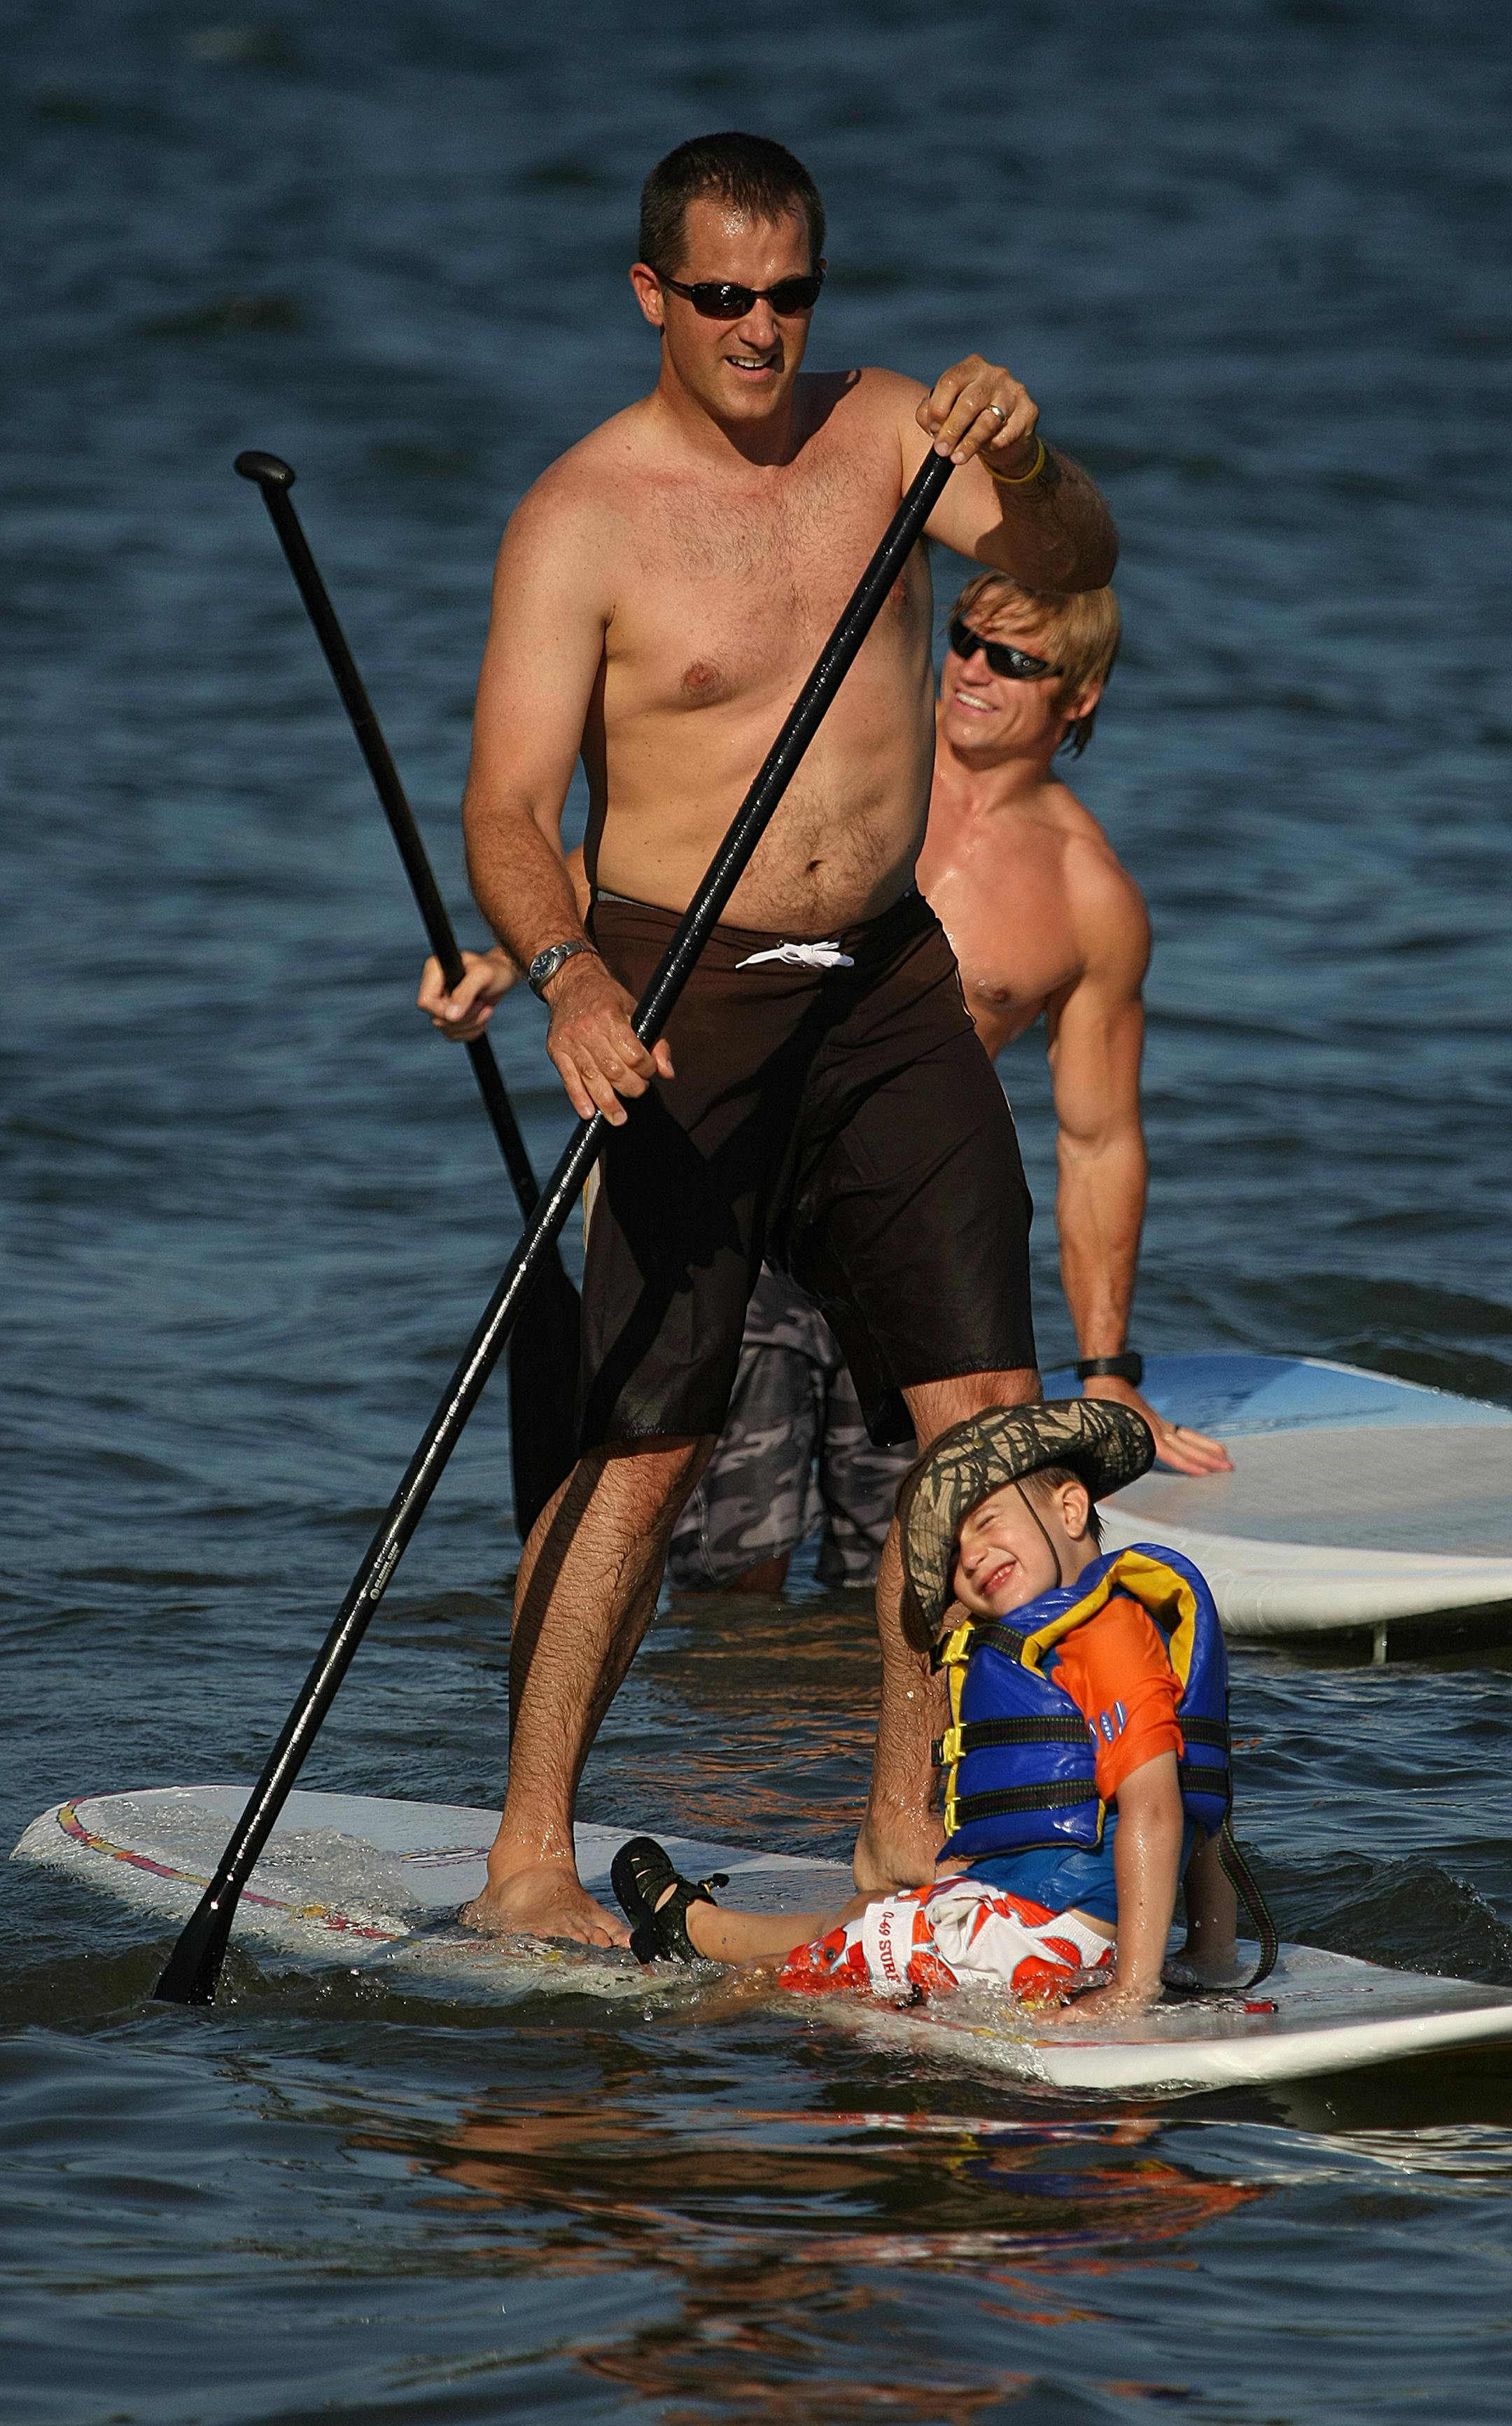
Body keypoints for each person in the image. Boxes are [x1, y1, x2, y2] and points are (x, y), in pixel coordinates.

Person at [418, 129, 1119, 1945]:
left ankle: (903, 1838)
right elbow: (502, 809)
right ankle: (526, 1862)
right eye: (721, 296)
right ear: (653, 293)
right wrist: (567, 975)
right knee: (646, 1446)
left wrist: (1030, 464)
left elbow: (1070, 557)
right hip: (677, 995)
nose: (759, 330)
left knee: (983, 1426)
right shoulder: (582, 515)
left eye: (789, 295)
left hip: (890, 984)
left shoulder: (896, 435)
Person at [659, 567, 1230, 1594]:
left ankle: (853, 1752)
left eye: (1015, 660)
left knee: (906, 1573)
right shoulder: (855, 758)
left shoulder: (1086, 893)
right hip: (745, 1203)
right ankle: (718, 1750)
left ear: (1079, 695)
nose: (972, 669)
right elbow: (660, 854)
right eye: (965, 639)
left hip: (904, 1241)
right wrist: (525, 955)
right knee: (730, 1579)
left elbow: (1098, 1144)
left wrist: (1106, 1370)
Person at [610, 1401, 1243, 2019]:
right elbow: (1204, 1812)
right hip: (1055, 1927)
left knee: (768, 1984)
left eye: (989, 1520)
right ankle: (696, 1927)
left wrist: (1134, 1988)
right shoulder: (1118, 1626)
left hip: (1039, 1935)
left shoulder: (1099, 1632)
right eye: (955, 1553)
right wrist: (1210, 1953)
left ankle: (665, 2059)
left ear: (1071, 1508)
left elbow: (1158, 1805)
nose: (970, 1556)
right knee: (865, 1916)